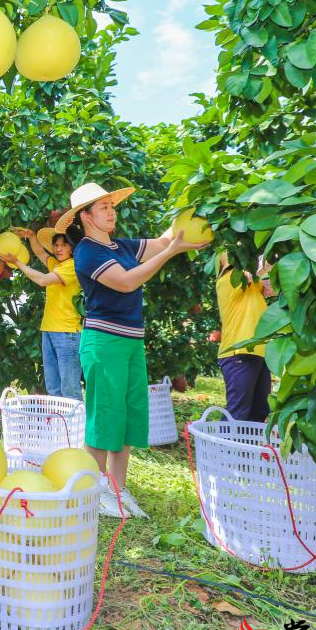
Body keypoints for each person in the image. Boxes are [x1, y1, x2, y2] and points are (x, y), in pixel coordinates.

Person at [55, 183, 208, 519]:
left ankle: (117, 488)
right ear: (84, 216)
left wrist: (193, 204)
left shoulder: (120, 245)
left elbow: (165, 240)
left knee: (127, 415)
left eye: (112, 205)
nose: (111, 211)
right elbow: (126, 281)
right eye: (103, 207)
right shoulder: (87, 252)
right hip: (104, 342)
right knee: (105, 415)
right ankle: (92, 491)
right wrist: (170, 253)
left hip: (131, 340)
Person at [5, 224, 82, 400]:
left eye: (64, 244)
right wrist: (31, 236)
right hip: (49, 330)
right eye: (56, 245)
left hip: (67, 333)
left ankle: (78, 427)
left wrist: (17, 262)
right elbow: (41, 254)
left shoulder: (72, 266)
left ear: (72, 247)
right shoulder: (58, 264)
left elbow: (43, 280)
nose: (59, 248)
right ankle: (60, 426)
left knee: (70, 389)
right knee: (54, 388)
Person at [216, 253, 277, 422]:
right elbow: (258, 268)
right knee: (238, 411)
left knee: (260, 410)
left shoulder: (253, 285)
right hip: (239, 352)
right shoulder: (228, 280)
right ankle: (222, 448)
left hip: (259, 352)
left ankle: (247, 449)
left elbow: (272, 287)